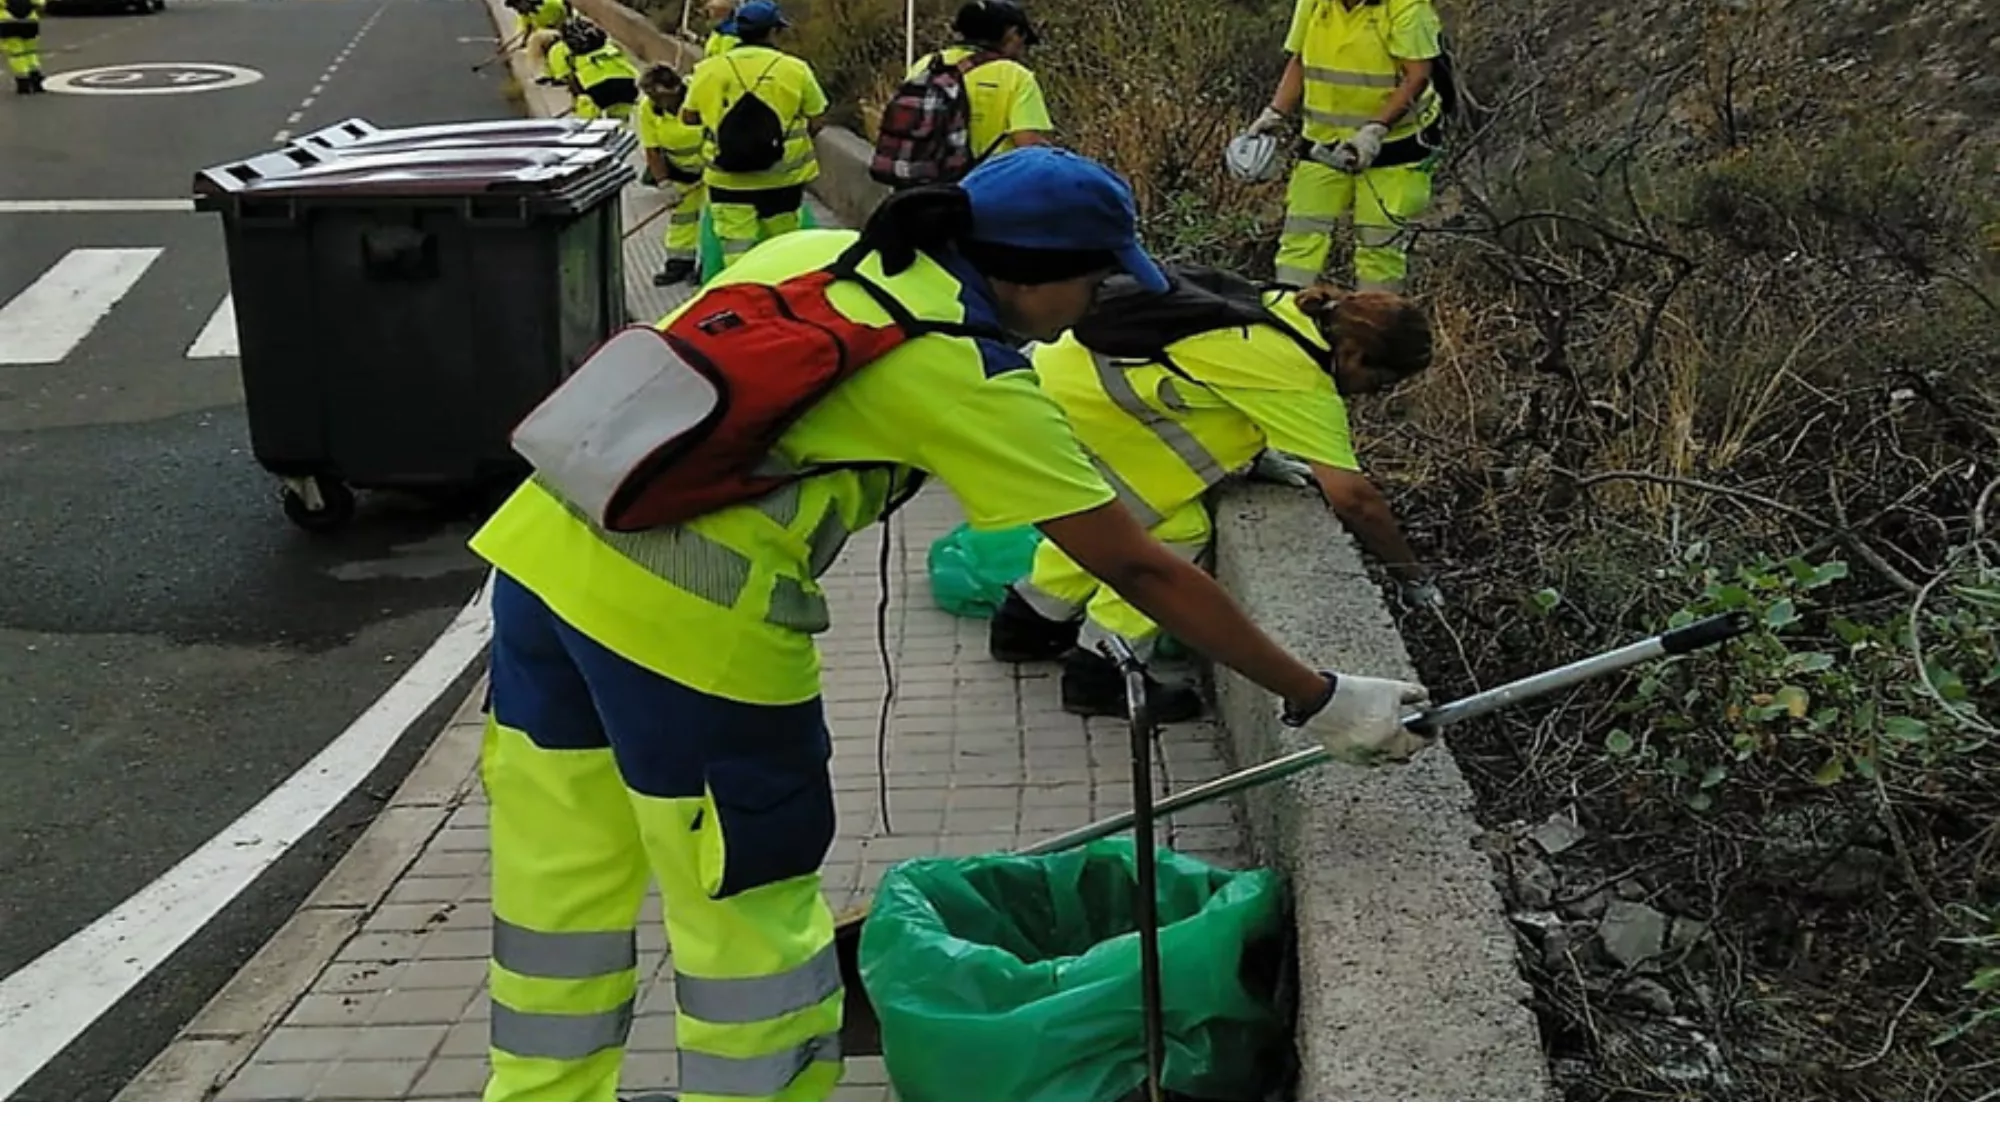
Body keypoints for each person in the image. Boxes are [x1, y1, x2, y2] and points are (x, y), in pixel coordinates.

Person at [468, 145, 1436, 1102]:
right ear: (1031, 277)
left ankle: (537, 1095)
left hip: (540, 564)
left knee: (561, 881)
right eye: (1092, 278)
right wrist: (1317, 696)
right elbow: (1136, 564)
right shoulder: (959, 370)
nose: (1097, 300)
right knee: (747, 926)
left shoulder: (808, 254)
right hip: (693, 633)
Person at [990, 272, 1442, 719]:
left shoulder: (1288, 309)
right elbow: (1355, 499)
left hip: (1059, 376)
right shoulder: (1300, 374)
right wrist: (1410, 576)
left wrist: (1261, 458)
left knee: (1120, 516)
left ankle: (1030, 624)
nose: (1372, 395)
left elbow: (1224, 381)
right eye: (1379, 382)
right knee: (1171, 534)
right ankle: (1102, 674)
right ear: (1354, 353)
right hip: (1080, 404)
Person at [1243, 0, 1445, 293]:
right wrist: (1275, 112)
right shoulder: (1315, 3)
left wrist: (1375, 130)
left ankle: (1376, 327)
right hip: (1324, 142)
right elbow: (1300, 59)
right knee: (1300, 239)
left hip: (1395, 150)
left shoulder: (1405, 7)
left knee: (1379, 248)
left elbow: (1417, 76)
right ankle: (1289, 319)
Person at [681, 0, 827, 269]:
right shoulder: (795, 69)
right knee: (785, 247)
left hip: (728, 178)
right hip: (783, 176)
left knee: (737, 249)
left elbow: (689, 117)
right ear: (773, 31)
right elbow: (817, 118)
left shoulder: (710, 69)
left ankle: (742, 294)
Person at [905, 0, 1053, 161]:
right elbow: (1026, 144)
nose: (1022, 47)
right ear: (1011, 33)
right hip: (989, 181)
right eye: (1023, 38)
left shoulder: (927, 64)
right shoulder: (1017, 76)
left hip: (926, 178)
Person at [637, 65, 708, 287]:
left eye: (661, 96)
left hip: (712, 168)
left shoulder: (700, 98)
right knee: (682, 217)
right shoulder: (648, 109)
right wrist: (664, 183)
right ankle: (679, 263)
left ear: (677, 88)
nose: (657, 101)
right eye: (652, 96)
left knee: (712, 218)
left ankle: (708, 265)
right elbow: (653, 150)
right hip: (679, 170)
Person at [546, 18, 641, 122]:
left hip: (594, 85)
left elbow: (569, 78)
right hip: (625, 80)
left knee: (589, 116)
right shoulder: (607, 42)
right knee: (621, 116)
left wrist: (578, 99)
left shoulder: (558, 50)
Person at [501, 0, 570, 84]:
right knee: (533, 41)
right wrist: (522, 41)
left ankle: (542, 73)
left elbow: (567, 15)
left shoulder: (551, 4)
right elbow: (523, 28)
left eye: (517, 6)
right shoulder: (526, 13)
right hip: (546, 33)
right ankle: (545, 72)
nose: (517, 10)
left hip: (564, 30)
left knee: (535, 38)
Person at [1, 0, 45, 96]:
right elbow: (41, 2)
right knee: (31, 51)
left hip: (8, 22)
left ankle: (23, 82)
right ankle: (35, 78)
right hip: (30, 22)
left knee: (16, 53)